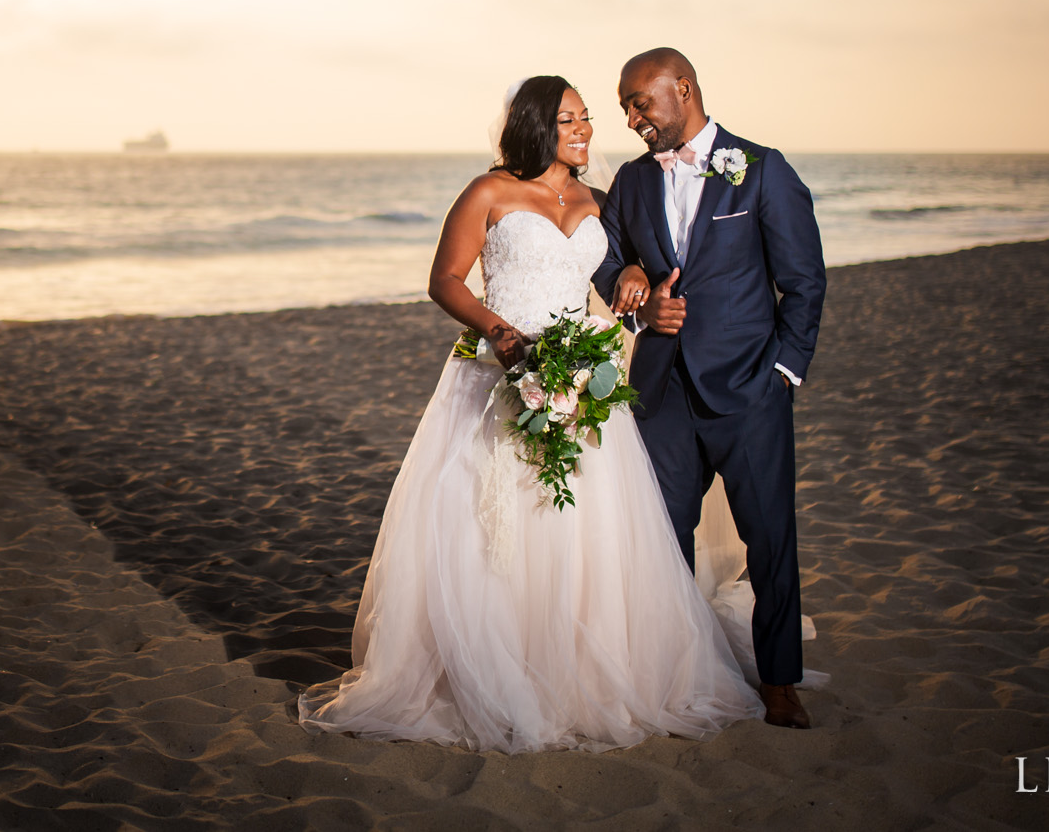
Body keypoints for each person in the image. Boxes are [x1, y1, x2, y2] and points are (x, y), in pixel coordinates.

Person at [296, 76, 763, 752]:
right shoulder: (489, 192)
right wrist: (501, 331)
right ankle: (497, 673)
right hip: (497, 374)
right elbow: (445, 279)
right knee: (497, 529)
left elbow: (622, 276)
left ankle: (578, 675)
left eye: (587, 118)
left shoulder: (600, 199)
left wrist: (631, 275)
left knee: (584, 531)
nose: (585, 130)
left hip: (584, 380)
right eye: (569, 119)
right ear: (538, 125)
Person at [593, 47, 827, 729]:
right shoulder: (632, 183)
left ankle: (780, 681)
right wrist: (631, 297)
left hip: (750, 389)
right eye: (626, 107)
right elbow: (610, 258)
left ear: (683, 87)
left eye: (642, 101)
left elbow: (804, 279)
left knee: (770, 539)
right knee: (661, 537)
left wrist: (783, 370)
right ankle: (663, 669)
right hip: (661, 391)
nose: (634, 117)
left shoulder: (761, 169)